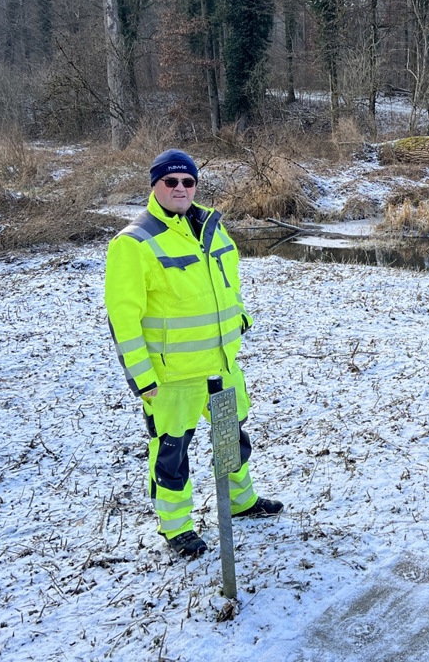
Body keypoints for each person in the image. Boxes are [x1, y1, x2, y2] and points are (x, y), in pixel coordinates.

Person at [104, 148, 283, 559]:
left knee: (232, 440)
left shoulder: (213, 228)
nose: (181, 188)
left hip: (221, 366)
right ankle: (177, 527)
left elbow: (229, 283)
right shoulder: (133, 243)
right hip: (172, 378)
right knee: (172, 454)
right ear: (155, 185)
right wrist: (142, 378)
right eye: (171, 181)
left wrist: (240, 318)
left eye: (188, 181)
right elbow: (123, 318)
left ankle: (240, 501)